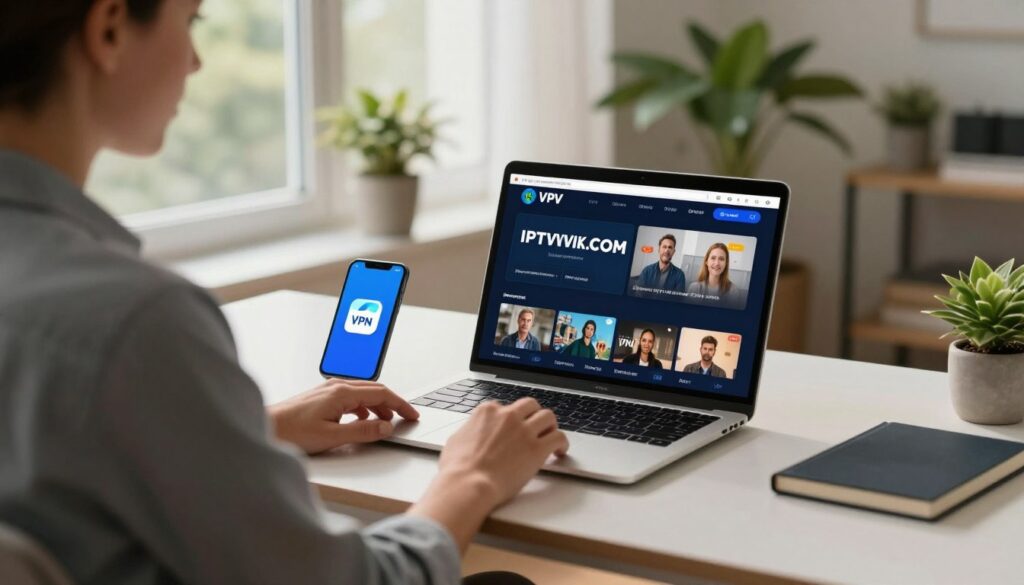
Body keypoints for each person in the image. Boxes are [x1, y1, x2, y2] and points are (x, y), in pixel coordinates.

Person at [0, 2, 568, 584]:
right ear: (109, 29)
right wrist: (471, 477)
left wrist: (248, 434)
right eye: (191, 21)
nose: (195, 62)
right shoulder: (134, 322)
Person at [686, 242, 743, 308]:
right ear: (706, 261)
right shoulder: (694, 288)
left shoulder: (733, 291)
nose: (717, 263)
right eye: (713, 258)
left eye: (721, 259)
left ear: (726, 263)